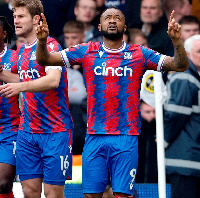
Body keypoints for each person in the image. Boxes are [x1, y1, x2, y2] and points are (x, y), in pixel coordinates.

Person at [35, 7, 189, 198]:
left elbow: (180, 65)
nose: (113, 20)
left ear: (125, 27)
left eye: (118, 18)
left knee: (122, 195)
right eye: (108, 18)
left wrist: (176, 40)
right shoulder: (86, 51)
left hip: (126, 135)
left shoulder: (139, 53)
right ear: (100, 26)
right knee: (91, 195)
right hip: (94, 135)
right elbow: (45, 59)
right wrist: (42, 41)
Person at [0, 0, 73, 198]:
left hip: (55, 130)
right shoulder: (22, 50)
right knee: (30, 192)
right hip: (27, 131)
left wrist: (19, 87)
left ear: (36, 19)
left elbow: (52, 80)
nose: (16, 21)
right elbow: (23, 78)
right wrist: (4, 75)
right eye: (14, 17)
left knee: (53, 194)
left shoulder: (51, 46)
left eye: (21, 16)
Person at [164, 34, 200, 198]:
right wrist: (163, 138)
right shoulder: (185, 77)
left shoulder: (191, 77)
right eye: (199, 51)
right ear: (186, 53)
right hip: (184, 160)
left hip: (188, 159)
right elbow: (176, 114)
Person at [0, 16, 20, 198]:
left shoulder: (15, 57)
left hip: (10, 127)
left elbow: (30, 82)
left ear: (4, 34)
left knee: (3, 183)